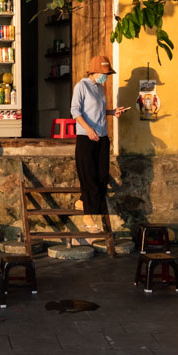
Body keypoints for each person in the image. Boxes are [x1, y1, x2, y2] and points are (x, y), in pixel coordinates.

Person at [70, 55, 129, 231]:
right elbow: (75, 110)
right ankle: (89, 216)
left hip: (102, 136)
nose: (106, 76)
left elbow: (97, 110)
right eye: (104, 73)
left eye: (107, 74)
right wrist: (88, 130)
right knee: (89, 176)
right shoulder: (82, 86)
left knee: (102, 175)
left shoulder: (100, 88)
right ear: (94, 71)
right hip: (86, 137)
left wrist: (112, 112)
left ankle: (82, 202)